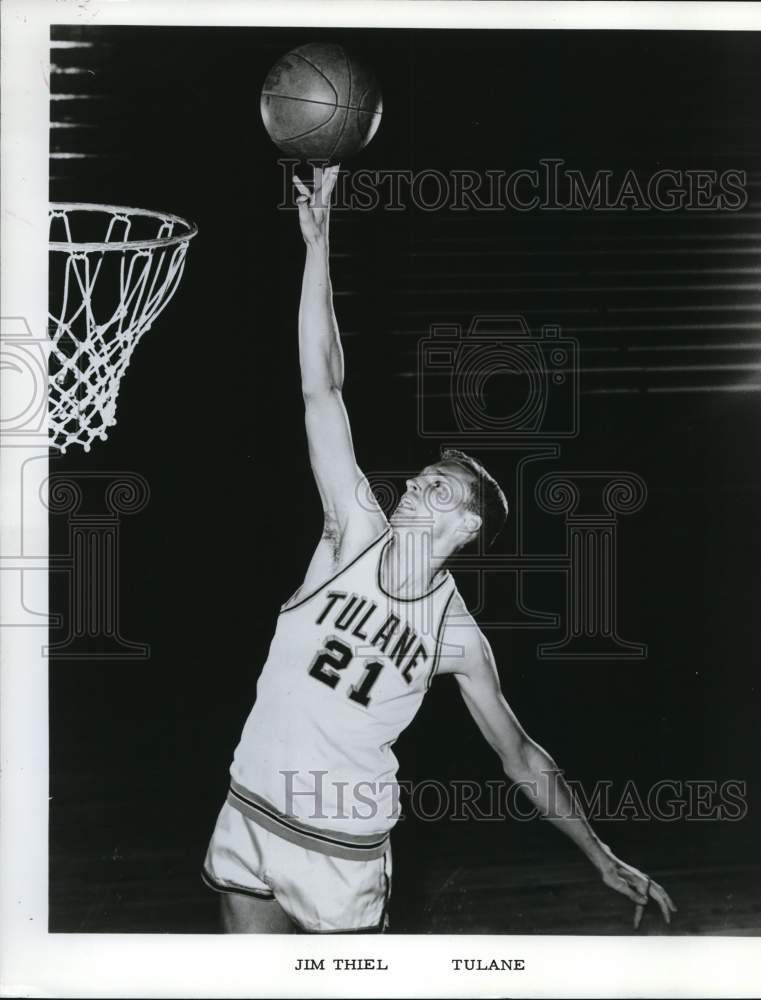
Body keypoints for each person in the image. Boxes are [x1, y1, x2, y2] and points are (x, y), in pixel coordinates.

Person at [202, 165, 676, 934]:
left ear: (468, 531)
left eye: (439, 492)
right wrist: (318, 245)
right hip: (250, 808)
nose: (416, 489)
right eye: (419, 479)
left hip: (342, 848)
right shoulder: (351, 531)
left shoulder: (457, 637)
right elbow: (323, 388)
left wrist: (601, 855)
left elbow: (521, 757)